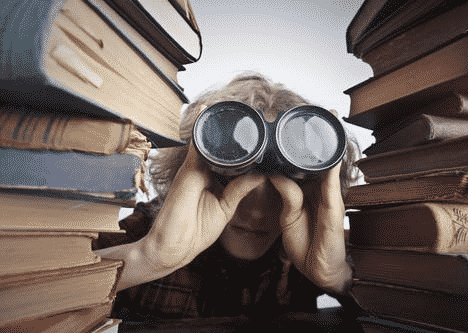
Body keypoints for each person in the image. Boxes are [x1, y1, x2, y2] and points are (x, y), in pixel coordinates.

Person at [93, 72, 361, 321]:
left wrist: (336, 277)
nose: (256, 212)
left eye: (282, 185)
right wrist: (147, 258)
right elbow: (50, 290)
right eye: (232, 177)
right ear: (190, 174)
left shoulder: (313, 246)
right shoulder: (144, 233)